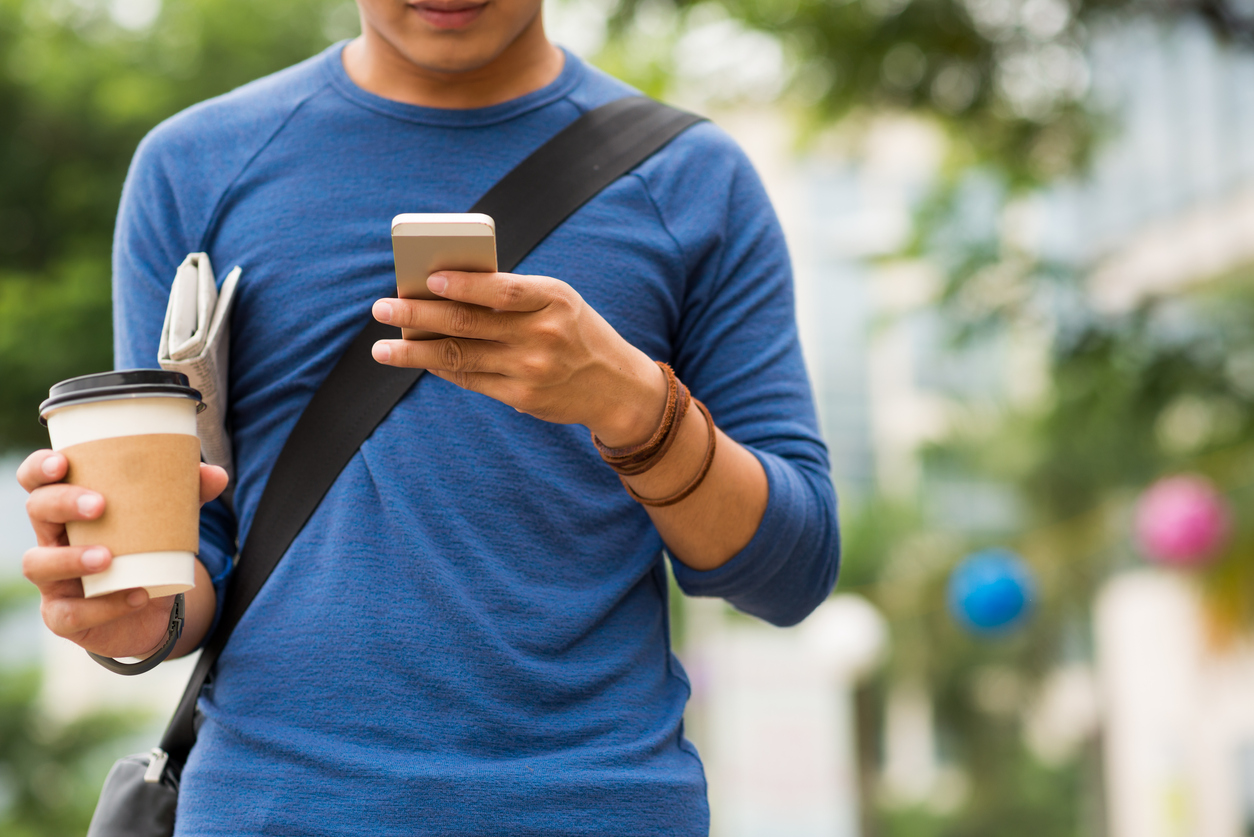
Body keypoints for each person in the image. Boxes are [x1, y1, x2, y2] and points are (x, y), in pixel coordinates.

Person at [16, 0, 840, 833]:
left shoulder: (695, 180)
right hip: (276, 808)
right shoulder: (194, 167)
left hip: (597, 804)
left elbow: (791, 572)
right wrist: (130, 613)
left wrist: (632, 403)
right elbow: (197, 555)